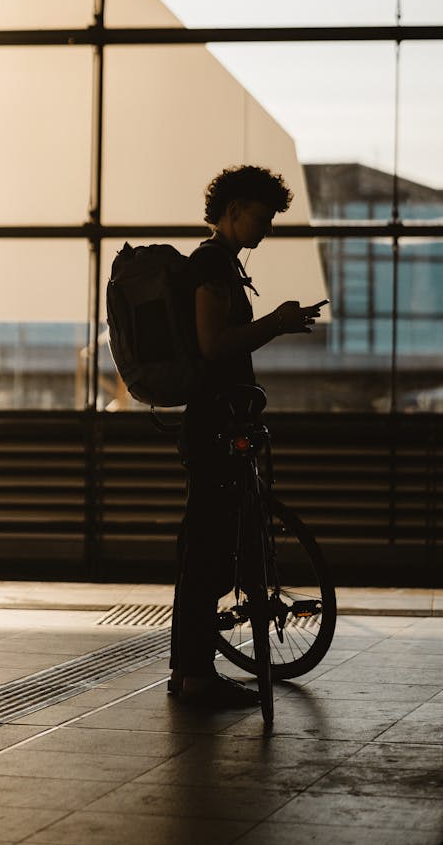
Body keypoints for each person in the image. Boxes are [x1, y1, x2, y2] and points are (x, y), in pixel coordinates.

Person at [168, 165, 327, 708]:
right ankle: (195, 676)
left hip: (219, 424)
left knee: (206, 545)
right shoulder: (212, 265)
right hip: (215, 427)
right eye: (261, 217)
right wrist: (275, 323)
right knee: (209, 549)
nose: (266, 228)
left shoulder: (223, 265)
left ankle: (187, 671)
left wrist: (279, 322)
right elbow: (214, 344)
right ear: (233, 211)